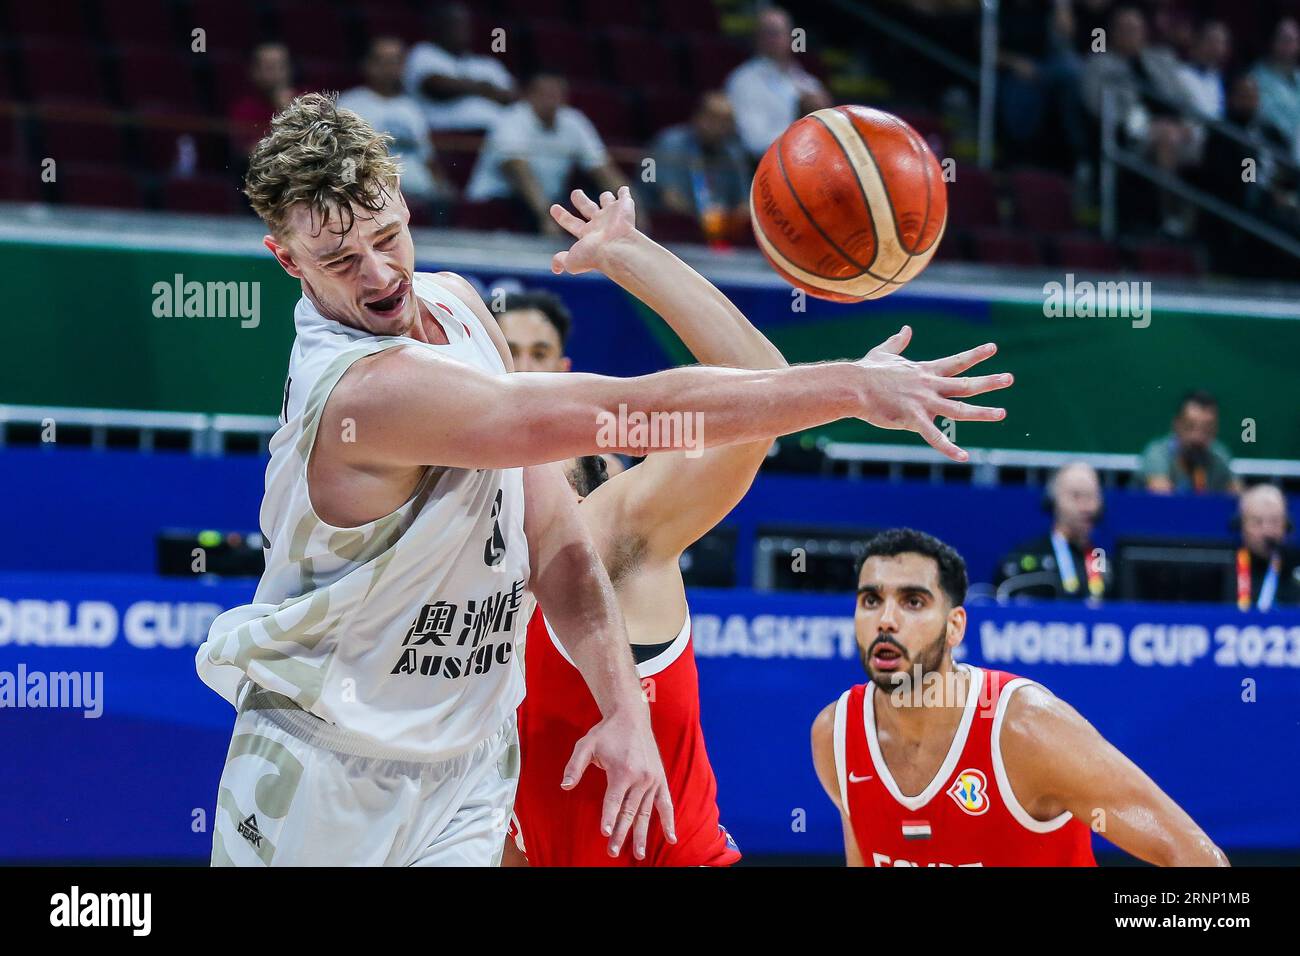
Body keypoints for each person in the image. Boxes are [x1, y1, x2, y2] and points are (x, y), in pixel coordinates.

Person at [193, 93, 1014, 866]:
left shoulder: (458, 308)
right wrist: (848, 388)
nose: (377, 276)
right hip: (326, 761)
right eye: (339, 259)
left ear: (405, 204)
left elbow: (555, 535)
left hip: (465, 768)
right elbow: (618, 414)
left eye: (385, 238)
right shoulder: (367, 389)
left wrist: (624, 709)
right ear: (286, 259)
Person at [506, 187, 886, 865]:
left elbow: (763, 391)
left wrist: (630, 255)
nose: (525, 385)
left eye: (538, 356)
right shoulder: (457, 577)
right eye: (508, 359)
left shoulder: (610, 529)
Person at [811, 528, 1228, 867]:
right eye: (871, 600)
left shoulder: (1025, 727)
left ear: (955, 627)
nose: (886, 620)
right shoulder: (836, 734)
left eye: (913, 601)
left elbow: (1197, 859)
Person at [466, 73, 629, 234]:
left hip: (542, 207)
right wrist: (546, 217)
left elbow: (603, 169)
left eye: (557, 94)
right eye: (545, 94)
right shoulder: (510, 120)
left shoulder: (575, 122)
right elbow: (520, 173)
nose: (552, 100)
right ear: (528, 96)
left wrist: (629, 207)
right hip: (493, 207)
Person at [492, 288, 625, 477]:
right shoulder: (452, 454)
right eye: (510, 352)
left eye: (539, 354)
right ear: (487, 359)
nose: (525, 368)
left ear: (563, 369)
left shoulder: (602, 472)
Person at [339, 37, 453, 214]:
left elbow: (428, 160)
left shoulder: (412, 108)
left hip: (423, 200)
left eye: (396, 62)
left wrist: (444, 189)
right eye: (383, 61)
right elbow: (342, 161)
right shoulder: (350, 104)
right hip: (373, 200)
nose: (390, 69)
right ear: (368, 64)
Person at [725, 6, 831, 159]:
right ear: (757, 38)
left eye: (780, 32)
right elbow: (753, 143)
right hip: (765, 169)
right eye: (768, 33)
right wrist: (800, 133)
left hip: (811, 163)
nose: (775, 38)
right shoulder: (742, 81)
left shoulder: (809, 83)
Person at [996, 462, 1111, 601]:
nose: (1086, 507)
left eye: (1091, 496)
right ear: (1053, 501)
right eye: (1076, 496)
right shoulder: (1027, 560)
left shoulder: (1105, 562)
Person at [647, 91, 752, 241]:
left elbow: (745, 205)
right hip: (673, 233)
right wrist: (705, 219)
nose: (721, 127)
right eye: (714, 119)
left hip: (722, 235)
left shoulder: (733, 154)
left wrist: (727, 222)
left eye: (727, 122)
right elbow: (670, 199)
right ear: (698, 116)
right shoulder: (670, 144)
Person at [404, 0, 515, 131]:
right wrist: (484, 88)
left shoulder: (487, 64)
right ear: (438, 26)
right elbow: (437, 86)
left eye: (465, 23)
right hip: (447, 139)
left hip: (493, 136)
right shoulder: (424, 53)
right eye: (454, 23)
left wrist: (468, 87)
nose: (462, 29)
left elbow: (511, 96)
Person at [1138, 389, 1240, 495]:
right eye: (1190, 427)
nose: (1197, 437)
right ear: (1176, 424)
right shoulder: (1157, 453)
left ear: (1216, 429)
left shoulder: (1219, 455)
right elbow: (1163, 499)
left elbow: (1237, 496)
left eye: (1207, 429)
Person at [1233, 484, 1300, 610]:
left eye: (1275, 521)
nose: (1267, 532)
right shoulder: (1223, 565)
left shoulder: (1296, 568)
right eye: (1257, 522)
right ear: (1241, 526)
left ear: (1287, 526)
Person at [228, 43, 298, 159]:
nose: (274, 74)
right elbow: (252, 153)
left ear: (289, 69)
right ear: (254, 71)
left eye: (279, 66)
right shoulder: (243, 110)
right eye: (268, 67)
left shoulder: (305, 101)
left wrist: (292, 111)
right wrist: (285, 114)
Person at [1251, 17, 1300, 166]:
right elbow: (1262, 113)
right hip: (1267, 141)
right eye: (1283, 39)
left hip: (1296, 145)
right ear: (1273, 42)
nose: (1287, 45)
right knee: (1248, 163)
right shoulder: (1256, 76)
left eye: (1292, 40)